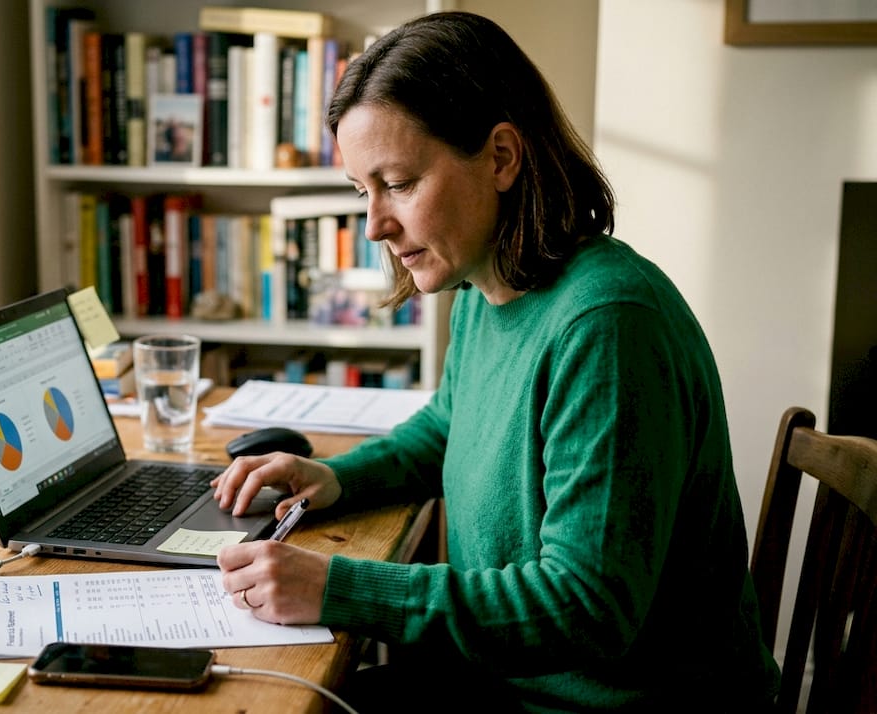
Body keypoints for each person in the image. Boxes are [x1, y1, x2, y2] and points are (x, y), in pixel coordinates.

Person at [211, 11, 780, 713]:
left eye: (399, 183)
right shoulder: (486, 283)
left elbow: (588, 607)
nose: (374, 226)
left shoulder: (607, 326)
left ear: (503, 157)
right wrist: (332, 478)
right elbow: (451, 424)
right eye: (364, 191)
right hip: (516, 681)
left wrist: (339, 588)